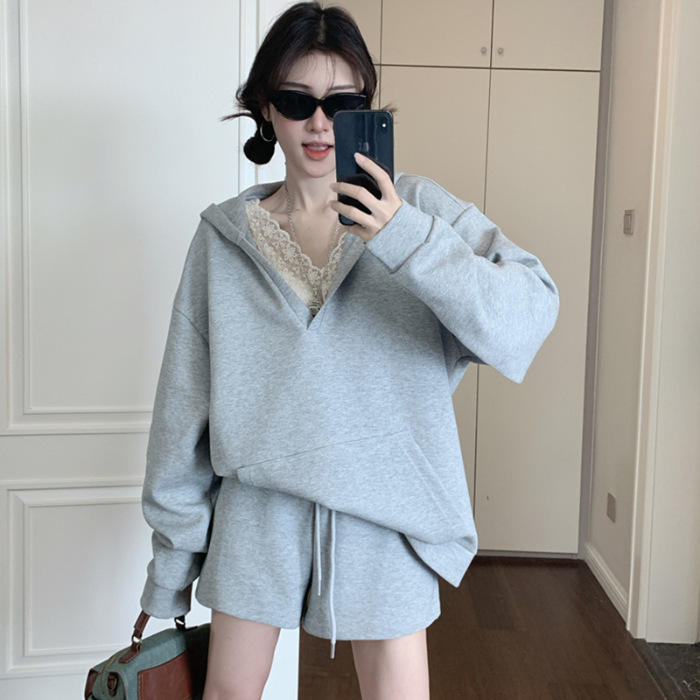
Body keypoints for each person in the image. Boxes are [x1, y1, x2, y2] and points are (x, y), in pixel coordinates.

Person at [139, 3, 559, 699]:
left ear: (367, 107)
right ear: (264, 108)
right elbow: (183, 408)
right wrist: (170, 570)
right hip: (255, 513)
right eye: (295, 100)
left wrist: (405, 238)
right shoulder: (222, 240)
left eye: (341, 104)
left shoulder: (418, 211)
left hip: (387, 512)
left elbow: (526, 317)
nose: (318, 123)